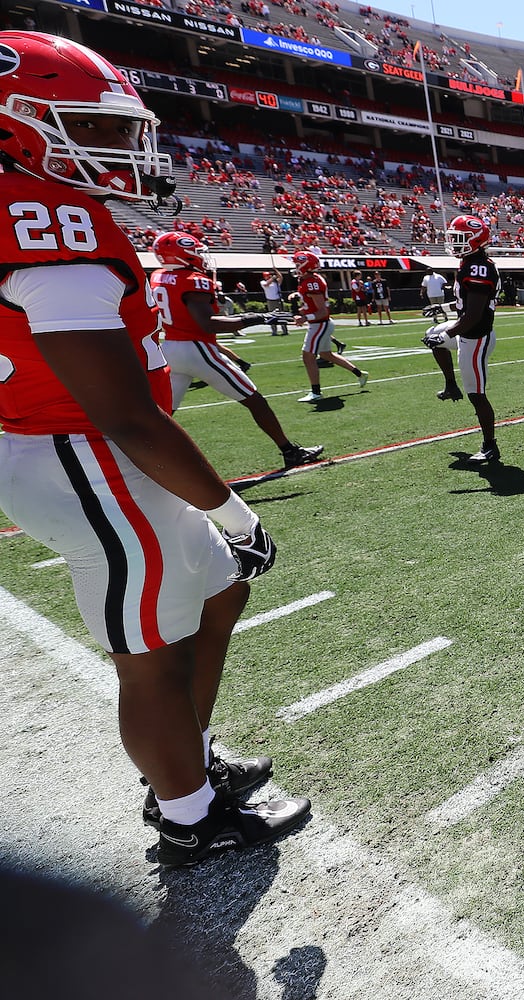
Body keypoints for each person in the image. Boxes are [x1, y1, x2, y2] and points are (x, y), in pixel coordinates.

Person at [0, 31, 309, 865]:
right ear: (16, 124)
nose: (114, 147)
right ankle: (187, 819)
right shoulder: (38, 216)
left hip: (92, 455)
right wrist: (236, 508)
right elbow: (127, 416)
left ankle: (188, 760)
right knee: (148, 656)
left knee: (219, 591)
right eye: (86, 126)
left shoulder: (41, 204)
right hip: (84, 457)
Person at [149, 233, 324, 469]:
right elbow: (208, 323)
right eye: (196, 251)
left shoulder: (158, 276)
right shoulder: (192, 279)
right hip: (197, 348)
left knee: (165, 412)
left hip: (169, 347)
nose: (201, 256)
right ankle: (290, 451)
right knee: (255, 399)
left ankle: (145, 461)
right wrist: (258, 317)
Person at [422, 214, 501, 463]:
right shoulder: (469, 263)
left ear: (476, 239)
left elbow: (475, 313)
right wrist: (443, 310)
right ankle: (450, 384)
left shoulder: (479, 267)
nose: (455, 243)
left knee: (476, 394)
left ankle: (490, 446)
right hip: (465, 331)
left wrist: (447, 333)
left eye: (460, 238)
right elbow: (464, 303)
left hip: (476, 338)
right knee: (430, 334)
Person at [291, 250, 368, 402]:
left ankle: (316, 392)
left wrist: (305, 317)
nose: (296, 266)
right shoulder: (310, 279)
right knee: (326, 355)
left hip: (319, 324)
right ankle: (360, 374)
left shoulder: (311, 282)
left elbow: (322, 311)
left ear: (306, 265)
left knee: (308, 356)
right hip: (320, 323)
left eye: (298, 264)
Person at [259, 270, 288, 336]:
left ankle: (285, 330)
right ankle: (274, 331)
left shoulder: (276, 283)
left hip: (278, 300)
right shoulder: (263, 282)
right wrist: (273, 278)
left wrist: (276, 270)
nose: (268, 277)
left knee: (282, 315)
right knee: (272, 316)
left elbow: (281, 277)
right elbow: (266, 284)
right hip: (270, 301)